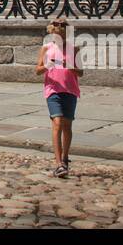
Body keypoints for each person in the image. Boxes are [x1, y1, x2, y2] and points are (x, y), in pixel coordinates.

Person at [35, 18, 82, 178]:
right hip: (52, 90)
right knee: (57, 123)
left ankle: (65, 158)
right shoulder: (46, 48)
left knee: (67, 126)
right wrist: (49, 65)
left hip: (70, 90)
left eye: (62, 28)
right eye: (55, 27)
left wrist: (70, 66)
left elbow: (80, 72)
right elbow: (38, 69)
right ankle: (58, 163)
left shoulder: (73, 49)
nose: (58, 30)